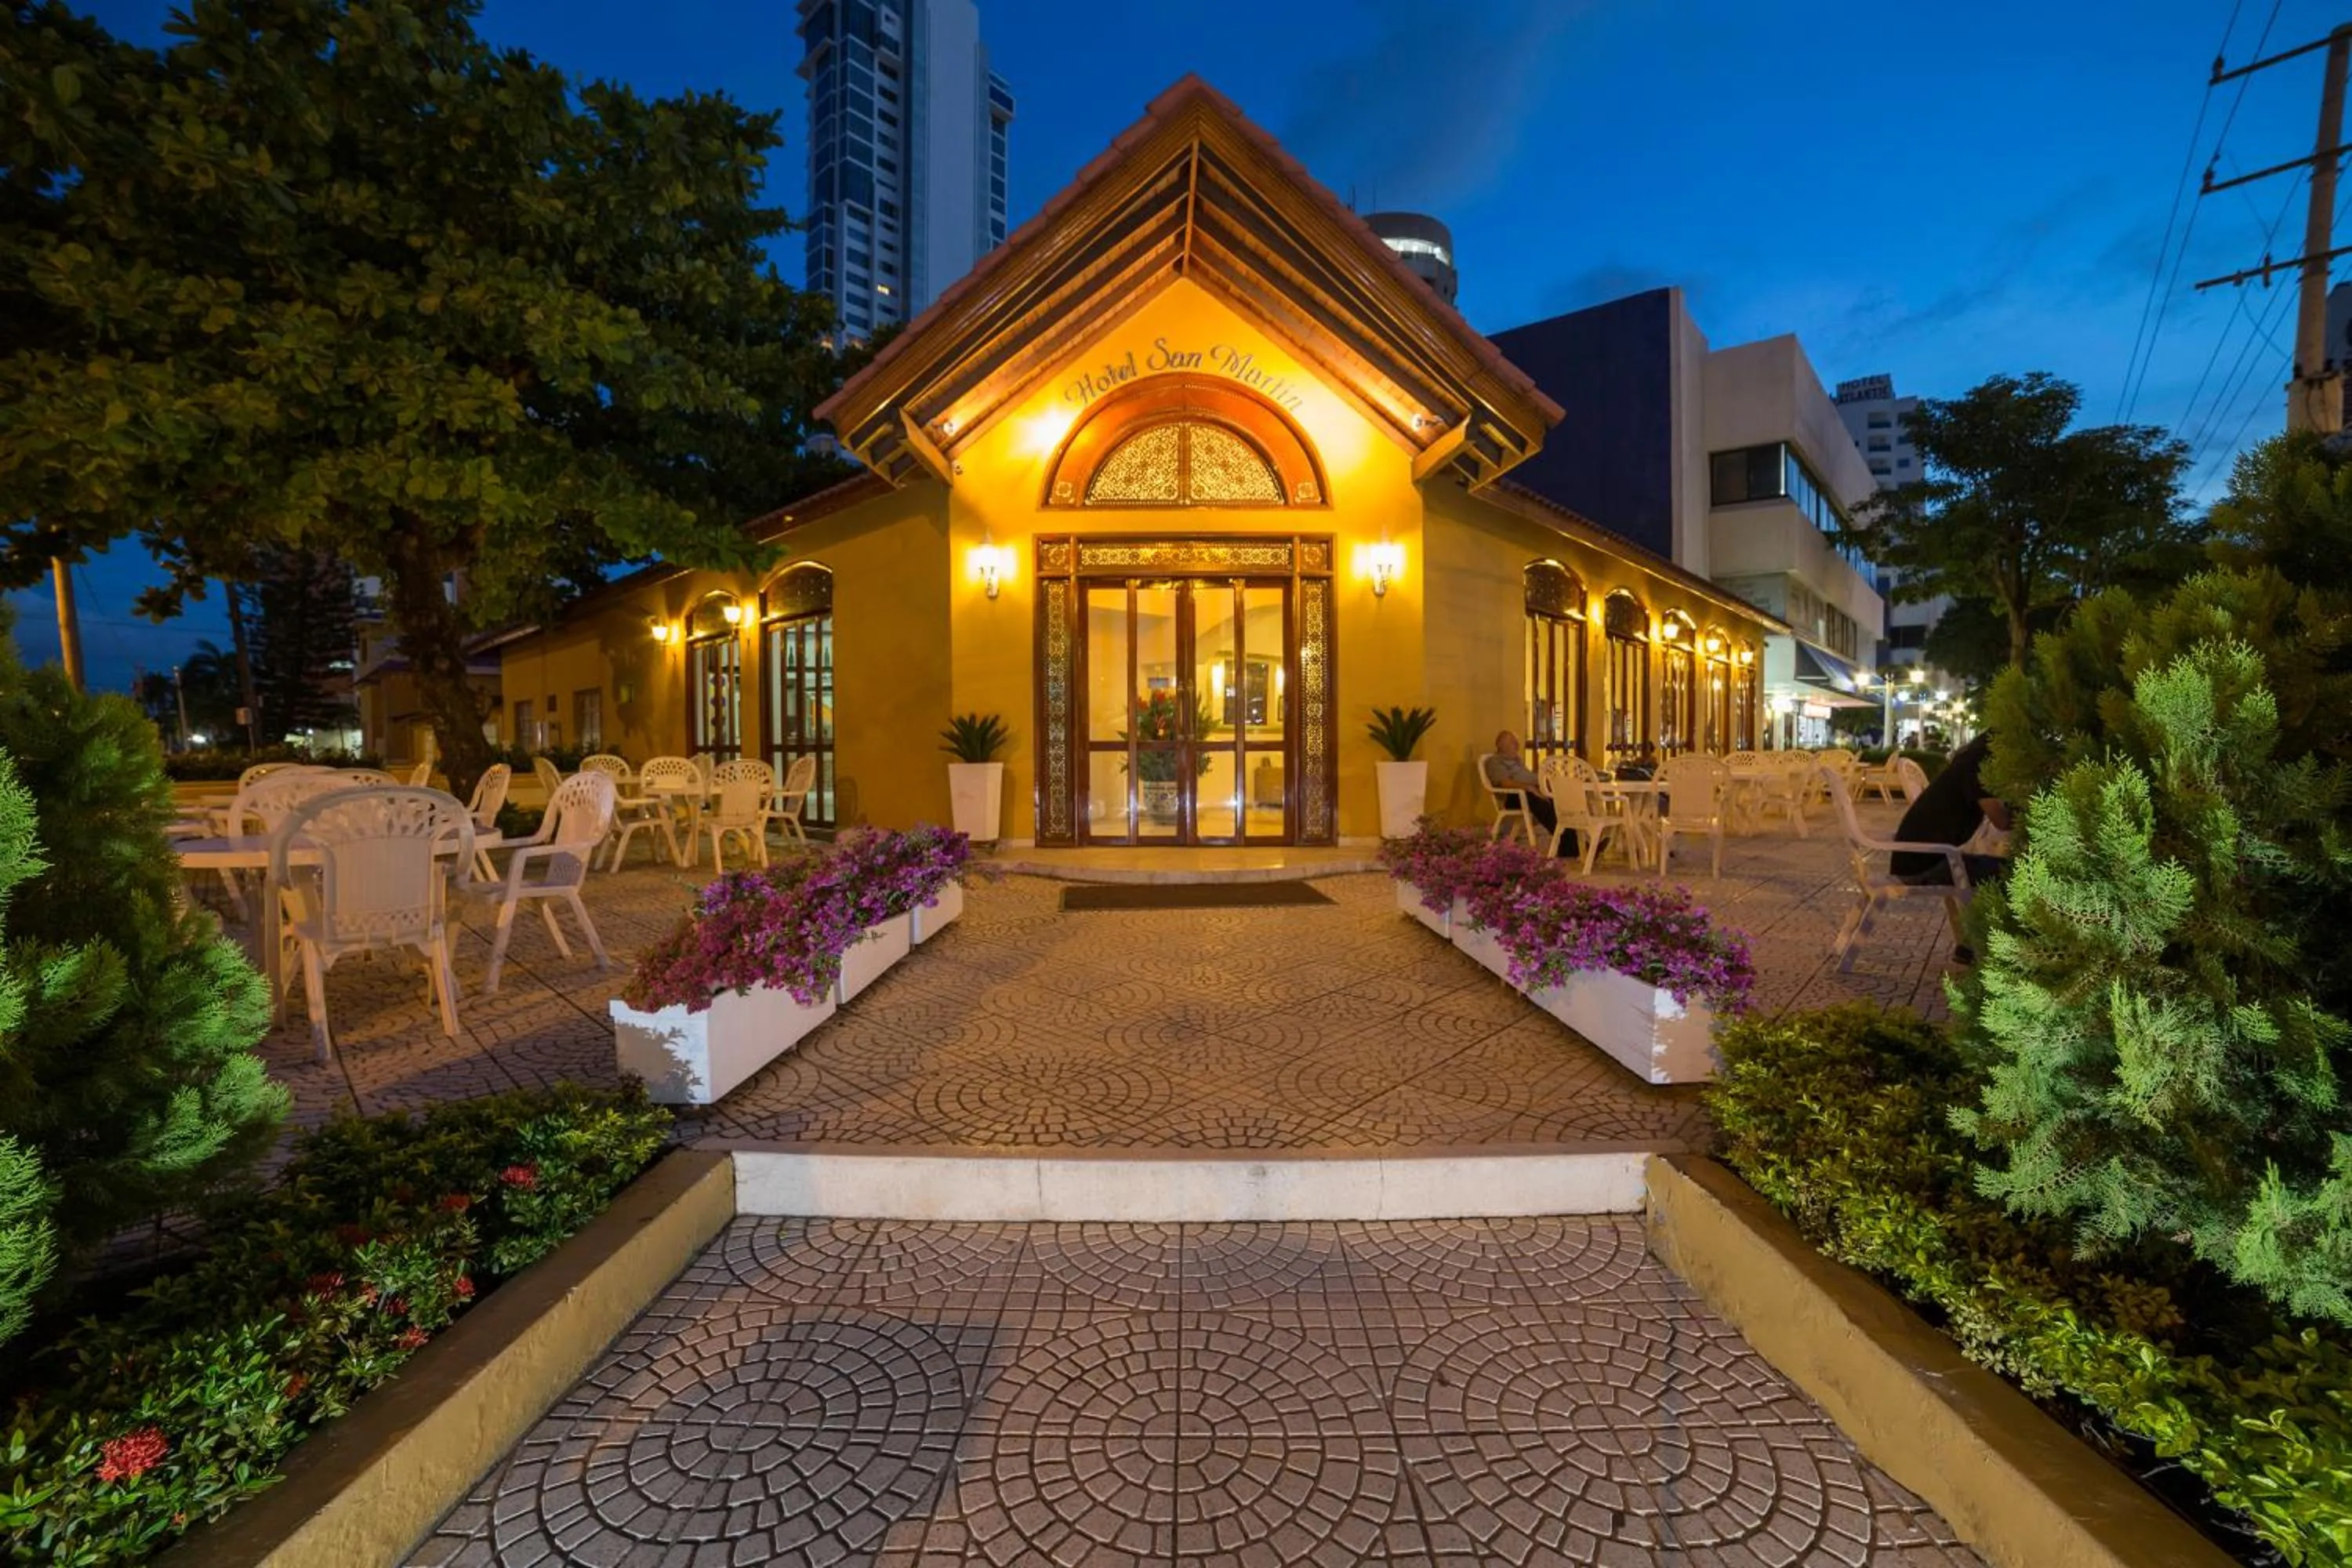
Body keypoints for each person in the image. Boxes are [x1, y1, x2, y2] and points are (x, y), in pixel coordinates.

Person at [1891, 731, 2011, 960]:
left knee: (1994, 866)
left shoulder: (1967, 762)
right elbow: (2002, 821)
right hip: (1923, 866)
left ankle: (1970, 945)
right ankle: (1987, 948)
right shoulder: (1977, 766)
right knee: (2013, 873)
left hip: (1916, 859)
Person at [1484, 731, 1576, 858]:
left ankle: (1573, 843)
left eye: (1516, 742)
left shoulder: (1516, 760)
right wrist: (1528, 787)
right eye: (1512, 743)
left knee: (1559, 804)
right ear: (1501, 745)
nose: (1517, 745)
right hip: (1514, 796)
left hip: (1529, 791)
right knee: (1543, 806)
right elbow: (1505, 783)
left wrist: (1545, 783)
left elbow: (1528, 776)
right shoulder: (1495, 762)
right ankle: (1569, 846)